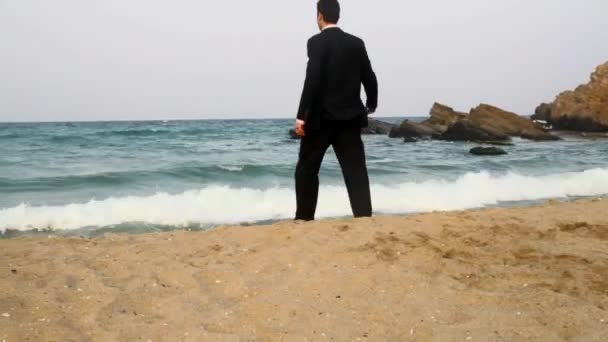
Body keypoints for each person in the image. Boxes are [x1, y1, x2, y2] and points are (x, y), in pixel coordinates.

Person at [294, 0, 378, 221]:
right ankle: (363, 217)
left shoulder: (315, 43)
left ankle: (304, 218)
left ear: (319, 16)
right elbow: (369, 76)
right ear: (338, 15)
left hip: (319, 120)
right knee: (356, 171)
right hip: (349, 119)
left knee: (307, 169)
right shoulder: (356, 43)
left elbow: (312, 80)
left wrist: (301, 116)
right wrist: (371, 104)